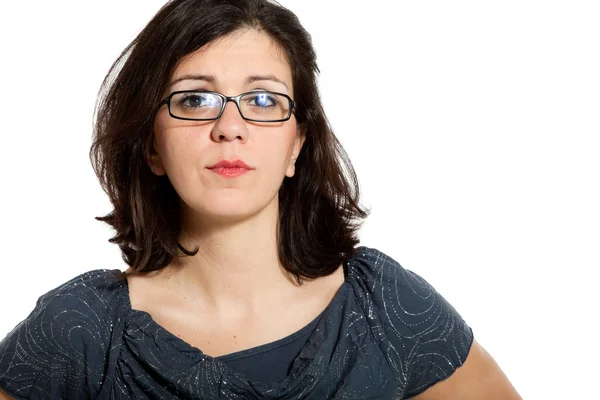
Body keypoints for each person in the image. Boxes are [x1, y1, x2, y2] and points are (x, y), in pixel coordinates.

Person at [0, 0, 521, 398]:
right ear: (151, 145)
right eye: (195, 99)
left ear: (297, 144)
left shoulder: (385, 308)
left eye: (264, 99)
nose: (230, 127)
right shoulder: (82, 329)